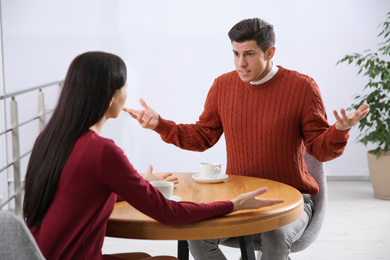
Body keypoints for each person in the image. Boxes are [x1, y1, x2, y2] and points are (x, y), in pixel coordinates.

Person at [124, 18, 369, 260]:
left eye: (249, 54)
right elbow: (203, 137)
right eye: (236, 53)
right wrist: (159, 124)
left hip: (292, 199)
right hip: (239, 198)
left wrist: (338, 130)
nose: (241, 63)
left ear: (270, 52)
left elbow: (320, 150)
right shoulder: (223, 86)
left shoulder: (302, 87)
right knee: (196, 236)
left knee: (274, 238)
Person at [22, 51, 285, 260]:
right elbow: (168, 212)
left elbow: (83, 189)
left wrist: (138, 183)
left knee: (145, 257)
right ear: (111, 95)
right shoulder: (102, 151)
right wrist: (233, 205)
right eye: (124, 86)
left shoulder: (49, 139)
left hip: (40, 256)